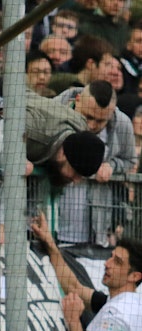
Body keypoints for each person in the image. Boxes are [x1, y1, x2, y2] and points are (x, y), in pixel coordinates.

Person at [55, 81, 135, 246]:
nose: (91, 125)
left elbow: (130, 160)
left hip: (94, 229)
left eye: (100, 121)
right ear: (77, 100)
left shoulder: (122, 124)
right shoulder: (52, 111)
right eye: (88, 116)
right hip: (51, 219)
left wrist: (111, 166)